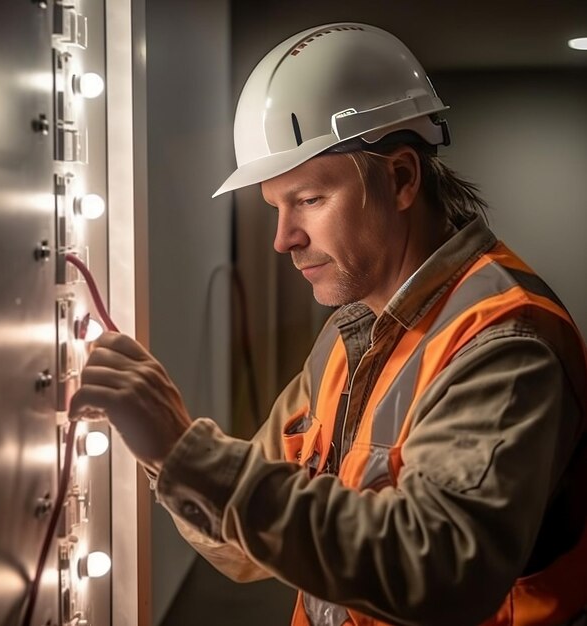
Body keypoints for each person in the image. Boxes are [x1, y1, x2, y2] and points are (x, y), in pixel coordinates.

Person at [69, 23, 587, 626]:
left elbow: (440, 575)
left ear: (400, 178)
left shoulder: (504, 345)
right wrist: (168, 450)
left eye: (309, 200)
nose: (283, 239)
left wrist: (186, 451)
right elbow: (241, 546)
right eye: (275, 207)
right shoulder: (352, 332)